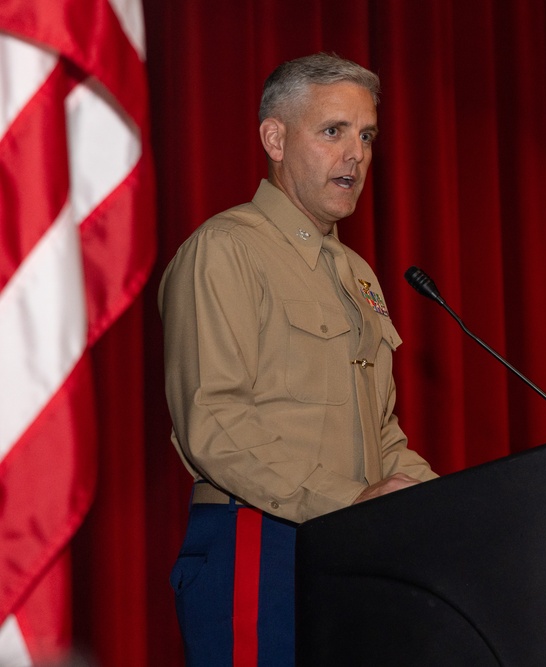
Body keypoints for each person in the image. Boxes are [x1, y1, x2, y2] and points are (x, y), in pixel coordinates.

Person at [158, 52, 437, 666]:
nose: (356, 155)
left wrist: (448, 506)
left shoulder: (358, 275)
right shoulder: (225, 251)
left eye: (366, 136)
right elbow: (215, 424)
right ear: (275, 138)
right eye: (333, 132)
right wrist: (349, 502)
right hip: (257, 542)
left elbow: (383, 436)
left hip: (350, 548)